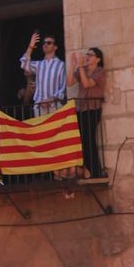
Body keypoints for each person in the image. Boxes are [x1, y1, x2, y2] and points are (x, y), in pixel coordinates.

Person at [67, 46, 105, 178]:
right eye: (87, 54)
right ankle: (88, 170)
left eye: (91, 55)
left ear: (98, 59)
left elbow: (87, 84)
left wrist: (81, 67)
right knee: (83, 140)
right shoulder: (82, 69)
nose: (88, 56)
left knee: (89, 139)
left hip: (93, 109)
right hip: (81, 109)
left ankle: (95, 171)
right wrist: (73, 65)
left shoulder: (100, 71)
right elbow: (69, 82)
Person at [20, 32, 66, 115]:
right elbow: (23, 64)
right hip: (39, 107)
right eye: (44, 43)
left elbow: (63, 87)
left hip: (54, 106)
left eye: (49, 43)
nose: (45, 44)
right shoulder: (39, 64)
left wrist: (51, 100)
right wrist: (30, 47)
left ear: (55, 47)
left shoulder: (60, 65)